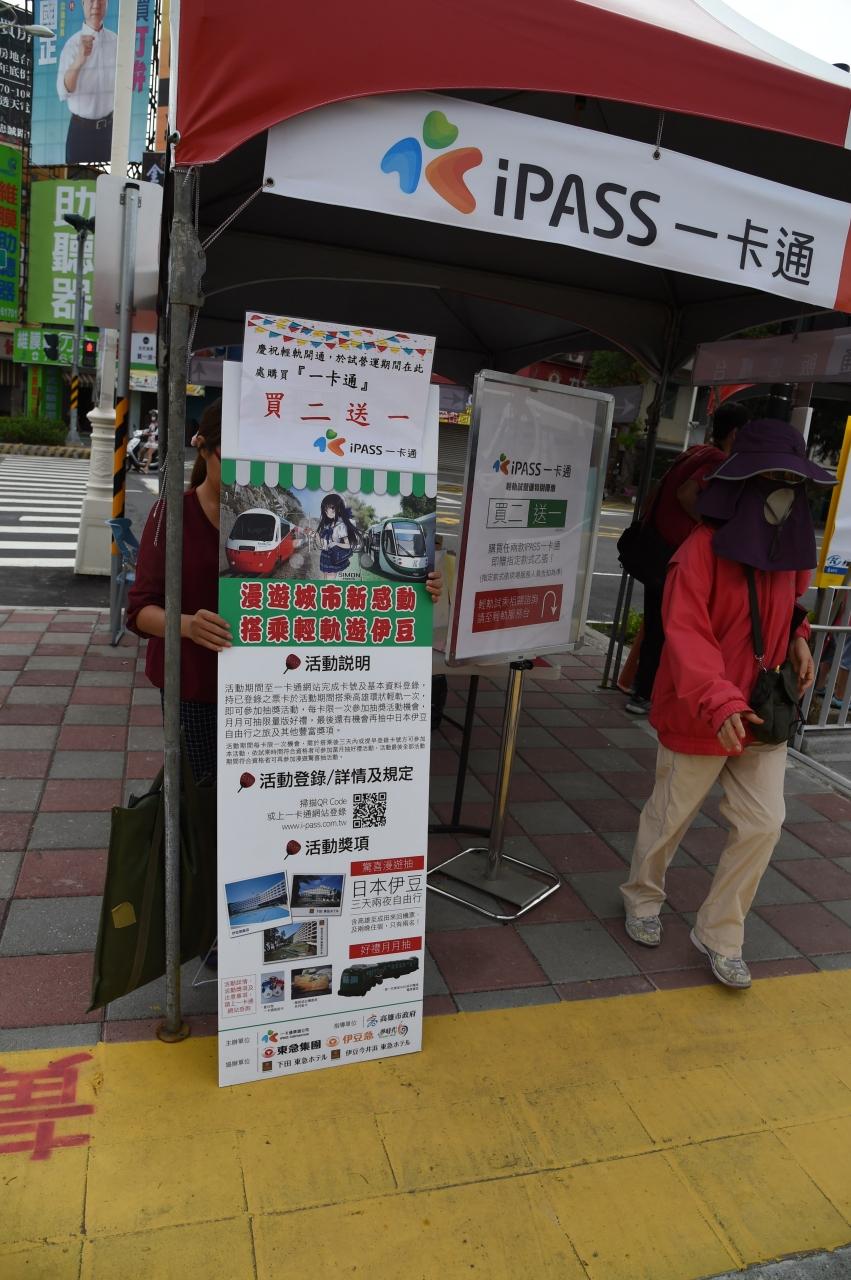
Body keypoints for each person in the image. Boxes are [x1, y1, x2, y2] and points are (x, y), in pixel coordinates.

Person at [620, 419, 834, 989]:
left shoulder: (790, 543)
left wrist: (798, 638)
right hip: (701, 709)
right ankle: (642, 897)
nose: (785, 489)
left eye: (793, 479)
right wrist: (720, 702)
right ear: (742, 481)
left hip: (762, 709)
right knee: (670, 816)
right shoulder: (699, 551)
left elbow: (789, 604)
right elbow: (686, 634)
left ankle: (721, 934)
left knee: (764, 823)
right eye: (773, 477)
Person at [128, 399, 444, 781]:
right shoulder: (171, 514)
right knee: (204, 789)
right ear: (204, 448)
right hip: (196, 687)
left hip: (272, 688)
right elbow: (140, 611)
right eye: (232, 458)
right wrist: (188, 626)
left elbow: (333, 602)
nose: (243, 473)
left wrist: (418, 590)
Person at [626, 401, 750, 715]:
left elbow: (661, 489)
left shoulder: (695, 451)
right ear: (736, 433)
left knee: (657, 623)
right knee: (670, 628)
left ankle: (642, 690)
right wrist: (706, 526)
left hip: (655, 547)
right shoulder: (719, 459)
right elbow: (686, 493)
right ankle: (646, 695)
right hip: (673, 554)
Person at [56, 0, 117, 164]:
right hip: (80, 132)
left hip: (110, 130)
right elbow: (64, 90)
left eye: (101, 0)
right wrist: (79, 59)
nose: (96, 5)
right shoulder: (72, 44)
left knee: (112, 179)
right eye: (91, 0)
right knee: (78, 179)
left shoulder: (116, 42)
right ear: (83, 4)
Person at [316, 494, 359, 579]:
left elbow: (349, 545)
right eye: (325, 509)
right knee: (325, 578)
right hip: (325, 557)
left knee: (329, 581)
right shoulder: (328, 525)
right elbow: (322, 545)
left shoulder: (341, 526)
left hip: (334, 557)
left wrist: (336, 544)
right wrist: (316, 536)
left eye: (330, 508)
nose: (326, 511)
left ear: (339, 508)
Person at [141, 409, 158, 474]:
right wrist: (143, 431)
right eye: (152, 415)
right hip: (149, 441)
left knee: (149, 453)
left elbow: (156, 433)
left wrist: (148, 434)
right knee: (142, 451)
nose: (152, 416)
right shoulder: (152, 423)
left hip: (155, 442)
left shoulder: (158, 424)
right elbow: (149, 430)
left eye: (154, 415)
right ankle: (139, 465)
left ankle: (146, 468)